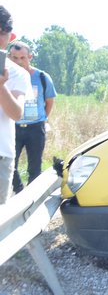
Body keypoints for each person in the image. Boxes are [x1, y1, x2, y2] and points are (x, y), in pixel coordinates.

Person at [8, 40, 56, 193]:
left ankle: (32, 197)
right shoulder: (7, 77)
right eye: (14, 58)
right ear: (9, 57)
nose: (18, 61)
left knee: (34, 167)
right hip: (13, 127)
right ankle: (20, 192)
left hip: (35, 128)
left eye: (22, 58)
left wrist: (43, 119)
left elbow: (49, 101)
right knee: (10, 164)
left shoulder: (42, 77)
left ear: (30, 57)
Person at [0, 5, 31, 204]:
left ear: (10, 37)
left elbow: (17, 113)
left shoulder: (18, 73)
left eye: (1, 33)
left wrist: (1, 86)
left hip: (1, 155)